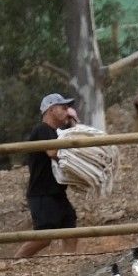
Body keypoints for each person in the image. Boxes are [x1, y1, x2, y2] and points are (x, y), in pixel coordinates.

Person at [20, 92, 81, 257]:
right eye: (63, 107)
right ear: (51, 109)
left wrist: (75, 125)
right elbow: (53, 152)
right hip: (42, 193)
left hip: (56, 193)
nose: (67, 111)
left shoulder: (56, 133)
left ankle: (69, 264)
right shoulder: (43, 130)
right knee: (44, 237)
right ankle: (14, 262)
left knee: (70, 229)